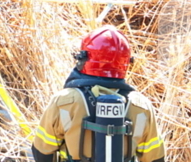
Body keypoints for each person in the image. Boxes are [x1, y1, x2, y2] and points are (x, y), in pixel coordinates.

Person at [32, 26, 165, 162]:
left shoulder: (64, 101)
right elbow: (155, 158)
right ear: (126, 63)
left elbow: (42, 152)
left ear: (84, 58)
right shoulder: (141, 106)